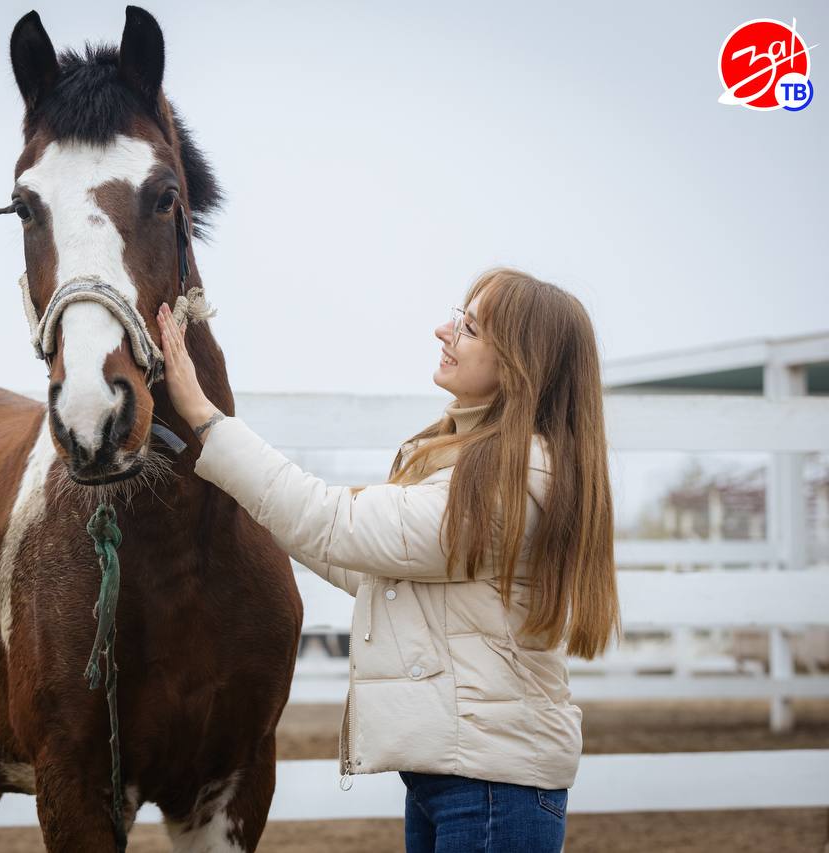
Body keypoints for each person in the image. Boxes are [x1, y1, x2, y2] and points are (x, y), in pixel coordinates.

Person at [156, 267, 622, 853]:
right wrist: (244, 497)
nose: (444, 332)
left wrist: (205, 418)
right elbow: (369, 565)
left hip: (490, 790)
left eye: (469, 328)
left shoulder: (513, 482)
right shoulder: (483, 465)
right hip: (459, 777)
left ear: (517, 363)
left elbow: (336, 524)